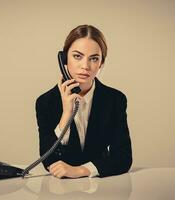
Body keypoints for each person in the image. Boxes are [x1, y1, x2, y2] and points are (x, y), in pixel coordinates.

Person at [35, 25, 132, 179]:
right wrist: (66, 113)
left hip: (102, 188)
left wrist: (82, 170)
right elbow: (48, 160)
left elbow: (123, 158)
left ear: (101, 63)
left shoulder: (115, 100)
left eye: (94, 58)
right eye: (77, 56)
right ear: (64, 59)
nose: (85, 66)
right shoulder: (45, 102)